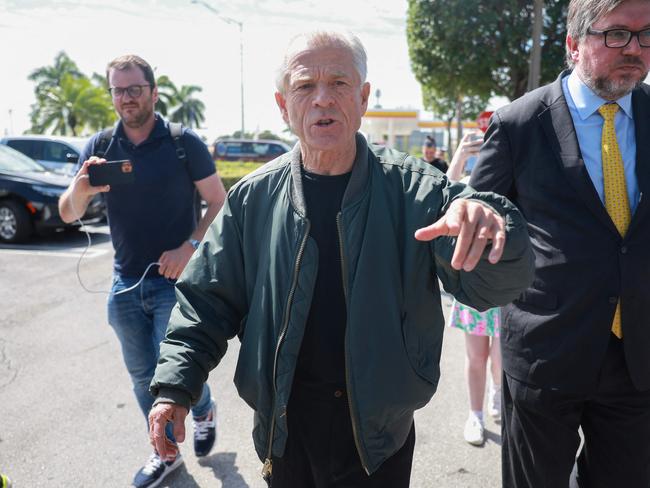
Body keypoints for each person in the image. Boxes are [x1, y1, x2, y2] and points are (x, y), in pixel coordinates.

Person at [147, 31, 534, 488]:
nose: (322, 100)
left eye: (339, 84)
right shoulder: (252, 199)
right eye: (305, 86)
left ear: (364, 97)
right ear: (282, 104)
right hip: (284, 428)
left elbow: (493, 285)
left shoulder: (418, 191)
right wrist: (175, 387)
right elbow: (205, 302)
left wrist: (494, 232)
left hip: (379, 434)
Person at [470, 0, 650, 485]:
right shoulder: (519, 124)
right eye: (616, 34)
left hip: (637, 360)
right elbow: (482, 215)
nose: (634, 48)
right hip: (547, 353)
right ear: (573, 45)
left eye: (645, 34)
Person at [59, 54, 227, 488]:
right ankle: (165, 453)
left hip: (174, 281)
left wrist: (189, 246)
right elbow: (67, 211)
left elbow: (219, 202)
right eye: (118, 89)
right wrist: (80, 187)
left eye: (135, 89)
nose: (127, 98)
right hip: (124, 282)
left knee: (170, 373)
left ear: (153, 92)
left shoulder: (181, 142)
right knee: (141, 376)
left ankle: (203, 407)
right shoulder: (99, 147)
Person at [446, 131, 502, 446]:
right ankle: (475, 415)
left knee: (501, 356)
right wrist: (460, 155)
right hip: (475, 284)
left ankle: (497, 392)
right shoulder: (469, 179)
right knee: (477, 355)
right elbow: (441, 192)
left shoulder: (514, 173)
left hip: (508, 286)